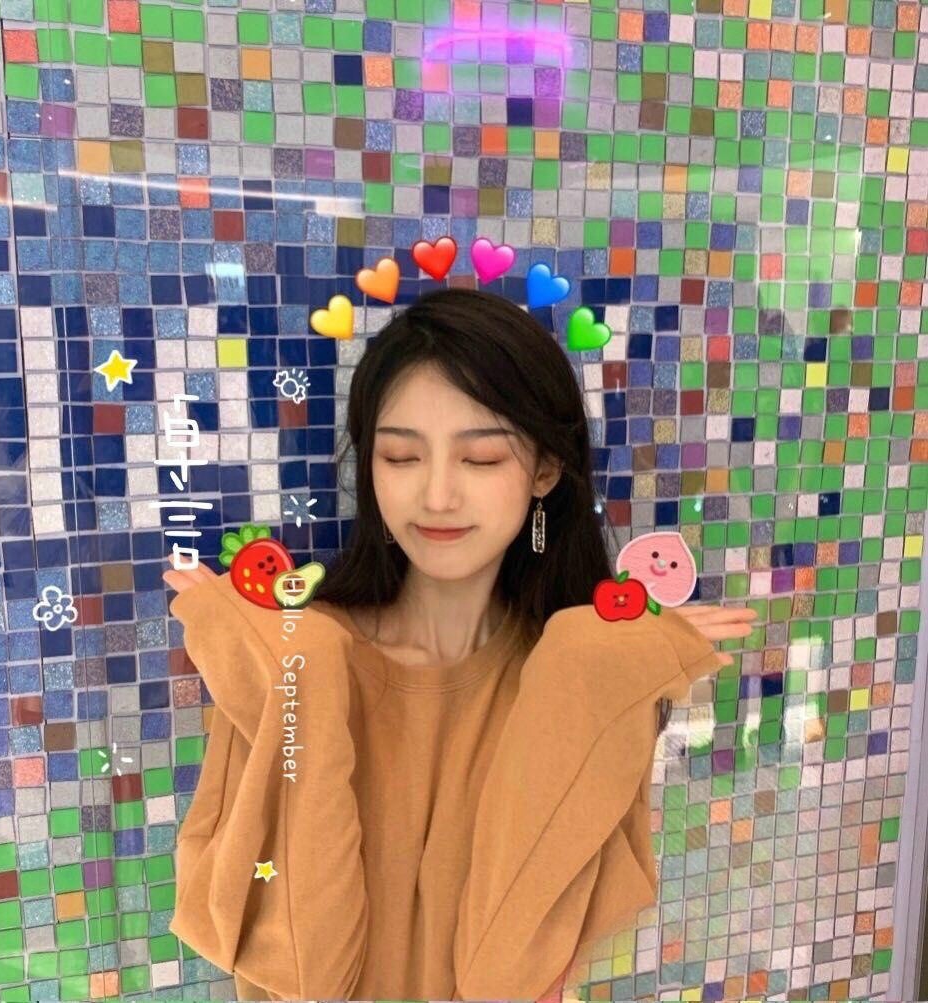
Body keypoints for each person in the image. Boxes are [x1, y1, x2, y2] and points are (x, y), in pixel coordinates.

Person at [163, 287, 757, 1000]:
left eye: (480, 459)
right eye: (400, 456)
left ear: (544, 470)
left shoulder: (579, 682)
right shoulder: (294, 661)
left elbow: (505, 975)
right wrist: (298, 670)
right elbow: (307, 973)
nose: (437, 495)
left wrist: (591, 670)